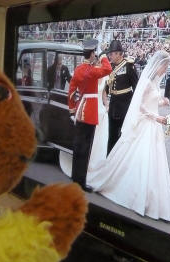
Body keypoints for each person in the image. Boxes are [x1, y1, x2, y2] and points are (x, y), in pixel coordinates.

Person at [87, 50, 170, 222]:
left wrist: (162, 102)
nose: (166, 69)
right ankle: (137, 195)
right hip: (147, 124)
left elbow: (151, 102)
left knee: (153, 162)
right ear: (159, 65)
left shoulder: (155, 83)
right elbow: (140, 107)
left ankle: (151, 199)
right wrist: (156, 117)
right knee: (142, 160)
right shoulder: (148, 82)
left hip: (153, 126)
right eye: (165, 66)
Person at [68, 39, 112, 192]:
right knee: (85, 149)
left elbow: (72, 92)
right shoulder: (92, 71)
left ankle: (76, 178)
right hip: (91, 110)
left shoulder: (79, 69)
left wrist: (72, 110)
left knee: (78, 146)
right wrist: (103, 55)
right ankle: (80, 182)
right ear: (93, 53)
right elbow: (108, 69)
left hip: (80, 108)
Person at [103, 40, 139, 155]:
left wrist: (134, 107)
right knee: (111, 136)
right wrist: (105, 102)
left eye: (112, 53)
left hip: (125, 106)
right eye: (110, 54)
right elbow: (107, 88)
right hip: (113, 105)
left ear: (119, 54)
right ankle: (109, 161)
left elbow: (136, 87)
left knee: (123, 137)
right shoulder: (111, 67)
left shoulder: (129, 65)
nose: (110, 56)